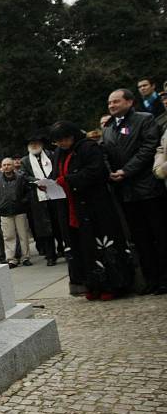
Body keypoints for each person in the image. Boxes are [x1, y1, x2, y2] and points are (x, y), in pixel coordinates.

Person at [52, 120, 131, 300]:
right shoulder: (59, 153)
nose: (61, 144)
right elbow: (57, 174)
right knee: (83, 246)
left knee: (102, 243)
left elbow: (97, 172)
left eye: (64, 139)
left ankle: (112, 285)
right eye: (58, 141)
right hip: (73, 207)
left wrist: (70, 180)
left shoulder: (88, 147)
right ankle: (91, 284)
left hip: (95, 204)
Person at [103, 88, 167, 294]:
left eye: (116, 101)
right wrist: (110, 172)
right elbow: (104, 152)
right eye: (109, 103)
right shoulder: (109, 127)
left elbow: (149, 148)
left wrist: (127, 170)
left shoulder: (144, 119)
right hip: (125, 192)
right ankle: (151, 279)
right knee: (140, 239)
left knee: (159, 234)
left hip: (148, 188)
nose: (112, 105)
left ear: (129, 102)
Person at [21, 132, 64, 266]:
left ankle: (64, 249)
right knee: (46, 228)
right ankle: (51, 255)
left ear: (41, 144)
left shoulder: (51, 155)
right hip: (38, 198)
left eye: (36, 143)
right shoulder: (25, 161)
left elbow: (57, 168)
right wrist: (38, 182)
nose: (34, 145)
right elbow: (24, 176)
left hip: (55, 192)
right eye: (31, 144)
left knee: (60, 223)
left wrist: (49, 180)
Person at [0, 158, 32, 268]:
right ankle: (11, 259)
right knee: (8, 236)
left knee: (23, 234)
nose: (6, 167)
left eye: (8, 164)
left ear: (13, 165)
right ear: (2, 166)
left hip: (20, 210)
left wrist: (24, 201)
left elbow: (28, 191)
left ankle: (25, 257)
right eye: (4, 165)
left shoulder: (20, 177)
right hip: (5, 211)